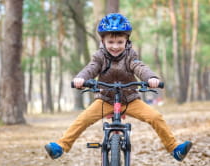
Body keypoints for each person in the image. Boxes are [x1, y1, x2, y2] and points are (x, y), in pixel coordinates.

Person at [44, 13, 192, 162]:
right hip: (105, 100)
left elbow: (140, 67)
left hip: (130, 100)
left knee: (155, 117)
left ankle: (174, 148)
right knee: (82, 119)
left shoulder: (130, 56)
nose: (115, 46)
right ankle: (61, 146)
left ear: (127, 41)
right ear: (103, 41)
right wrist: (81, 78)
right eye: (111, 42)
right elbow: (91, 68)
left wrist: (151, 78)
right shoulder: (99, 57)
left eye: (120, 42)